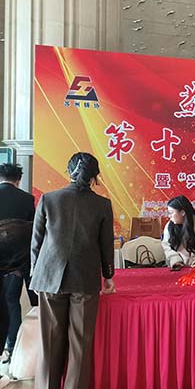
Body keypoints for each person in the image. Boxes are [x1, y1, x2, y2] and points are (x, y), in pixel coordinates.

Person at [30, 152, 116, 389]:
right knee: (80, 343)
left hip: (49, 277)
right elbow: (106, 245)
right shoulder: (102, 205)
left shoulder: (48, 199)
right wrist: (108, 276)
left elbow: (36, 242)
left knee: (50, 341)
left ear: (68, 171)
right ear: (95, 177)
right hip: (85, 279)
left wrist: (36, 273)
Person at [0, 163, 36, 366]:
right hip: (18, 260)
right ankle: (12, 348)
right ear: (18, 180)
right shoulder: (27, 199)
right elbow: (34, 232)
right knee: (12, 302)